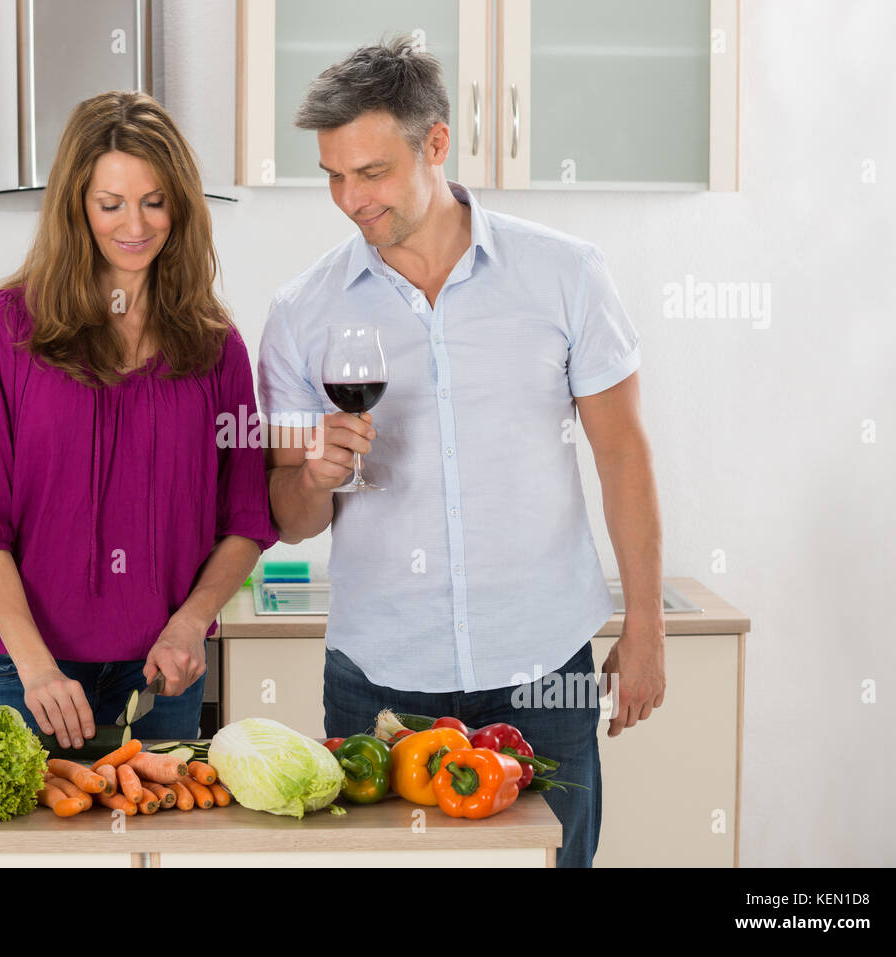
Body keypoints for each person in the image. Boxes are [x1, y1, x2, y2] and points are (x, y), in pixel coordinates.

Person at [257, 38, 665, 867]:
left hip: (542, 670)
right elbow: (290, 520)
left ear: (435, 144)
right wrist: (313, 474)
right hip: (380, 685)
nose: (349, 198)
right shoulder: (302, 311)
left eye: (370, 172)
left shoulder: (565, 276)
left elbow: (622, 454)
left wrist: (647, 624)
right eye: (333, 175)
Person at [0, 91, 277, 750]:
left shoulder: (217, 348)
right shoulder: (5, 328)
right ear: (77, 206)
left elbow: (246, 519)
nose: (136, 224)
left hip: (160, 678)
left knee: (147, 854)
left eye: (155, 201)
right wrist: (36, 668)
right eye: (111, 204)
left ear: (180, 206)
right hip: (27, 675)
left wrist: (192, 621)